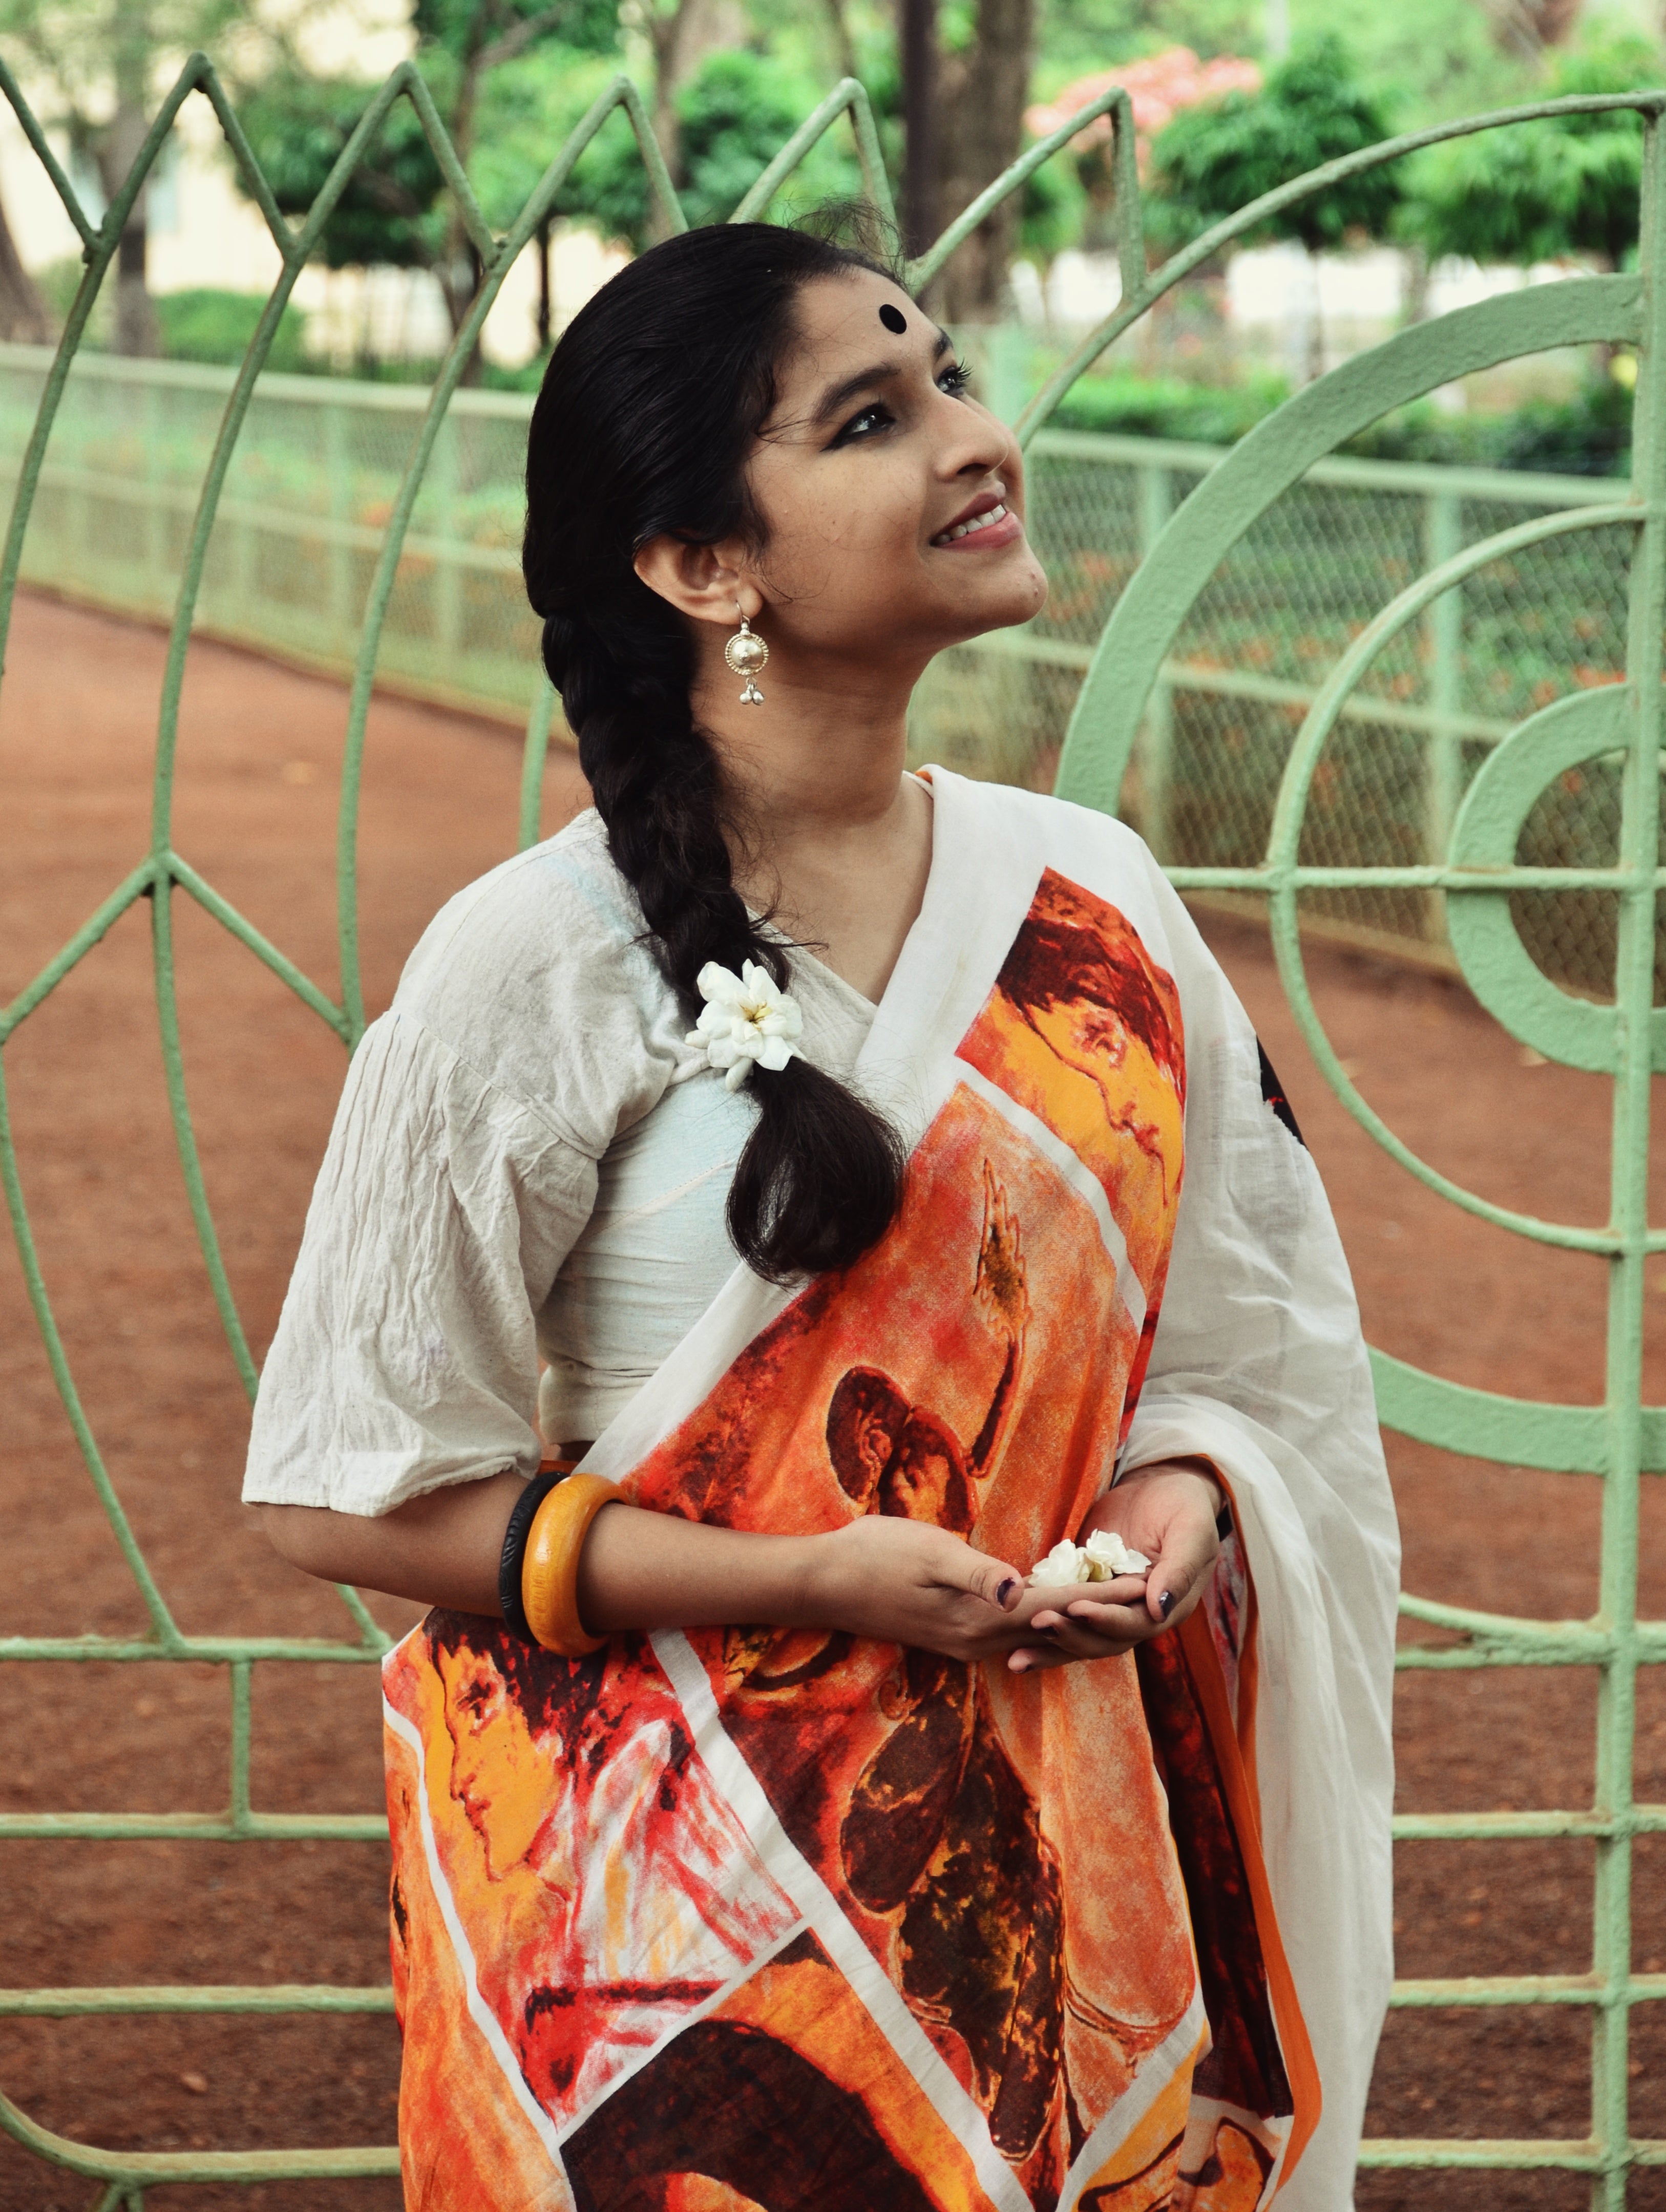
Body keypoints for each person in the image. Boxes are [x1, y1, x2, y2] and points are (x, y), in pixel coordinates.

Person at [244, 214, 1398, 2212]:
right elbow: (342, 1489)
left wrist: (1179, 1494)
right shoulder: (536, 958)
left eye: (949, 375)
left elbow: (1238, 1335)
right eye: (871, 418)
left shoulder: (1095, 898)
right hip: (649, 1972)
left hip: (1045, 1905)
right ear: (705, 566)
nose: (973, 436)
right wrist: (809, 1576)